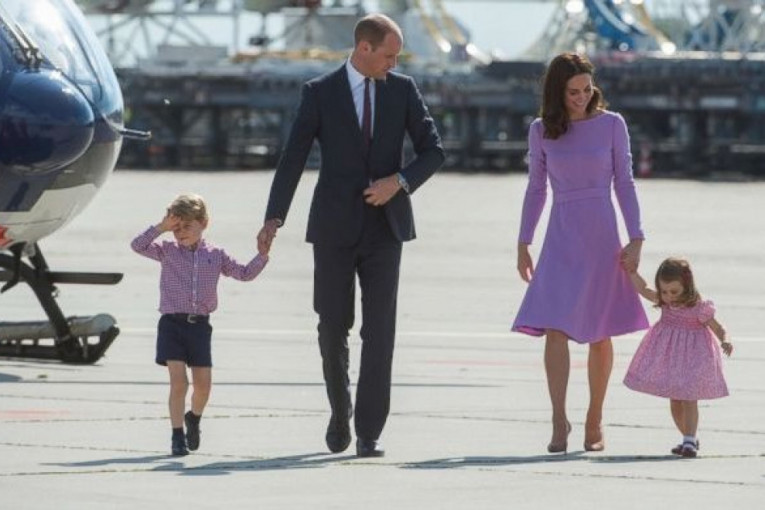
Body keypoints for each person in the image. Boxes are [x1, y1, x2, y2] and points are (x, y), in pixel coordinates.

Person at [256, 13, 444, 457]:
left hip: (386, 228)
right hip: (333, 227)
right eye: (389, 55)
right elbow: (293, 157)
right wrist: (274, 218)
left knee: (380, 331)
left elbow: (434, 151)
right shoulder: (319, 93)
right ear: (364, 48)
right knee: (332, 326)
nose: (394, 64)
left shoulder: (403, 90)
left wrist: (398, 181)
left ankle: (369, 431)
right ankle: (340, 412)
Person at [511, 53, 648, 454]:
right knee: (555, 327)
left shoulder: (612, 124)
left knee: (600, 331)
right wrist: (523, 241)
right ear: (557, 91)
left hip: (603, 235)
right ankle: (559, 419)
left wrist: (636, 237)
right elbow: (536, 188)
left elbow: (625, 182)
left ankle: (594, 418)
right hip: (561, 235)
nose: (582, 97)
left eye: (587, 89)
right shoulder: (541, 130)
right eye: (573, 91)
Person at [131, 193, 268, 456]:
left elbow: (244, 273)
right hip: (171, 325)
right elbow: (137, 245)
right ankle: (177, 436)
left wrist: (262, 255)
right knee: (179, 383)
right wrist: (161, 227)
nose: (181, 232)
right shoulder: (167, 250)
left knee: (203, 386)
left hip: (199, 327)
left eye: (187, 226)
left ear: (203, 223)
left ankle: (193, 417)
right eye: (177, 228)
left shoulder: (215, 255)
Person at [624, 257, 732, 458]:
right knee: (675, 400)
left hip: (694, 358)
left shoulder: (699, 307)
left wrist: (725, 340)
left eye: (674, 291)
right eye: (664, 291)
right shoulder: (665, 303)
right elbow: (643, 289)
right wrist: (632, 272)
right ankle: (688, 437)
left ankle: (689, 440)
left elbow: (717, 327)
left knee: (690, 398)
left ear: (687, 285)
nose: (668, 296)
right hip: (672, 359)